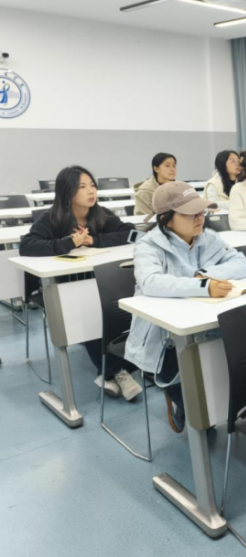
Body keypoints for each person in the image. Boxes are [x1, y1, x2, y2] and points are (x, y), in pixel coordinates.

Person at [125, 182, 246, 433]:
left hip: (206, 319)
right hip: (164, 333)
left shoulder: (208, 237)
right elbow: (151, 282)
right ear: (167, 219)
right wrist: (203, 286)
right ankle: (178, 395)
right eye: (190, 213)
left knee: (225, 358)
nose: (199, 218)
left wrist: (204, 275)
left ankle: (209, 406)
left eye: (201, 212)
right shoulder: (149, 245)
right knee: (192, 385)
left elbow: (242, 264)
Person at [20, 166, 140, 400]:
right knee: (91, 309)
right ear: (68, 192)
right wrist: (69, 243)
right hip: (63, 287)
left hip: (100, 281)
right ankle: (116, 372)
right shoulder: (52, 218)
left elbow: (130, 233)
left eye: (92, 185)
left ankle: (110, 372)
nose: (91, 191)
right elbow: (28, 245)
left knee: (112, 308)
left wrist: (94, 240)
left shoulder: (101, 215)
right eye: (82, 187)